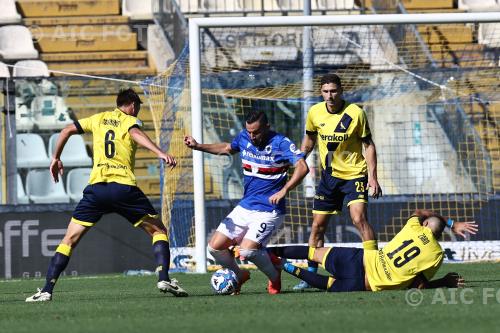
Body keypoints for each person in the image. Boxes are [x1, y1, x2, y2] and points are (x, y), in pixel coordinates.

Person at [26, 89, 187, 302]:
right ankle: (164, 277)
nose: (137, 110)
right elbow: (136, 133)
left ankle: (46, 290)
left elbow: (65, 130)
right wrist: (160, 153)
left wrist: (55, 158)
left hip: (97, 189)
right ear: (131, 105)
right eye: (137, 106)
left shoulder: (98, 119)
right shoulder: (130, 120)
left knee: (69, 240)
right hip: (123, 187)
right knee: (158, 230)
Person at [184, 111, 309, 294]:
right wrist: (198, 146)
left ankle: (275, 277)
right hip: (246, 206)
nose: (252, 136)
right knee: (214, 247)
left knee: (248, 251)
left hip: (269, 209)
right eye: (249, 132)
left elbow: (303, 167)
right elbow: (227, 148)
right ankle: (239, 275)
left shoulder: (281, 143)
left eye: (256, 132)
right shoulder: (244, 137)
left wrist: (284, 190)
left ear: (267, 127)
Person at [296, 73, 382, 290]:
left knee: (358, 218)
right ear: (321, 92)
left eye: (333, 91)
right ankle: (311, 276)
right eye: (325, 92)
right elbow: (309, 139)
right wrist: (299, 158)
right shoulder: (315, 112)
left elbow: (368, 145)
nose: (329, 96)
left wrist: (373, 177)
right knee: (317, 226)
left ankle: (374, 269)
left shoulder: (355, 113)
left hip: (354, 175)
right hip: (329, 178)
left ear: (341, 91)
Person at [270, 210, 478, 292]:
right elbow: (419, 285)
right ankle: (282, 265)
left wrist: (451, 222)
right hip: (364, 283)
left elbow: (420, 212)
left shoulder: (413, 226)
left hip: (358, 258)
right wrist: (444, 282)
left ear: (424, 224)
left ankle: (266, 250)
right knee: (325, 285)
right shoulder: (436, 255)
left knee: (311, 252)